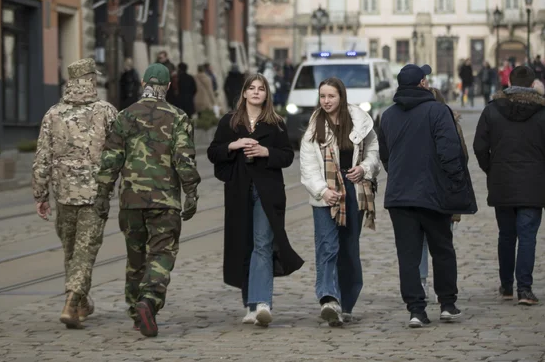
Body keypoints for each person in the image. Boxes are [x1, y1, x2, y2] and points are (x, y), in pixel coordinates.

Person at [95, 63, 201, 337]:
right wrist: (191, 192)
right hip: (165, 202)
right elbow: (184, 158)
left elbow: (110, 159)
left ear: (143, 84)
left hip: (131, 201)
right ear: (167, 87)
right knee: (162, 254)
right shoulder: (178, 117)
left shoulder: (125, 116)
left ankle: (135, 311)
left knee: (136, 258)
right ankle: (149, 301)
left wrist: (103, 195)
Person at [378, 64, 477, 328]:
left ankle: (416, 310)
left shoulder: (387, 115)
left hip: (399, 196)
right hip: (433, 193)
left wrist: (399, 175)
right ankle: (447, 304)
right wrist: (455, 182)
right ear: (423, 83)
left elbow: (385, 155)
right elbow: (449, 151)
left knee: (408, 255)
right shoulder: (438, 110)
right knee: (442, 249)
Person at [207, 73, 304, 327]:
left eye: (261, 89)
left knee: (263, 243)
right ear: (244, 93)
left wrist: (265, 151)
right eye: (251, 88)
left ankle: (262, 303)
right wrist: (234, 145)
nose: (256, 92)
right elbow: (213, 152)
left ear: (266, 94)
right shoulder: (229, 121)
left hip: (267, 191)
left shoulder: (276, 123)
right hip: (239, 190)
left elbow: (287, 156)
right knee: (245, 245)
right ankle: (250, 305)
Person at [32, 58, 118, 329]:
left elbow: (42, 158)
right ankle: (72, 301)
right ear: (92, 79)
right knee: (85, 251)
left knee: (71, 250)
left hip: (63, 193)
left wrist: (40, 195)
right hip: (96, 194)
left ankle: (81, 301)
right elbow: (119, 153)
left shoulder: (53, 114)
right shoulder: (106, 111)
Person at [474, 66, 545, 306]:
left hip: (502, 181)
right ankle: (524, 289)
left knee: (506, 235)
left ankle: (506, 286)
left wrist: (491, 169)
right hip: (533, 182)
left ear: (509, 82)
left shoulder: (492, 110)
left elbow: (479, 147)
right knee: (527, 237)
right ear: (533, 83)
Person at [300, 77, 380, 327]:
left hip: (353, 191)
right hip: (325, 196)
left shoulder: (359, 120)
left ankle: (346, 303)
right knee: (327, 247)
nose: (326, 101)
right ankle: (328, 299)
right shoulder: (314, 126)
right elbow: (308, 165)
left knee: (348, 250)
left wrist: (365, 169)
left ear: (341, 97)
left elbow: (373, 151)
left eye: (330, 96)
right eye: (322, 96)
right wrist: (322, 190)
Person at [419, 87, 468, 299]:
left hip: (422, 191)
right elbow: (462, 159)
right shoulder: (451, 124)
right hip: (443, 192)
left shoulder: (416, 123)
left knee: (423, 241)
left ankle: (422, 282)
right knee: (443, 244)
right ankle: (445, 291)